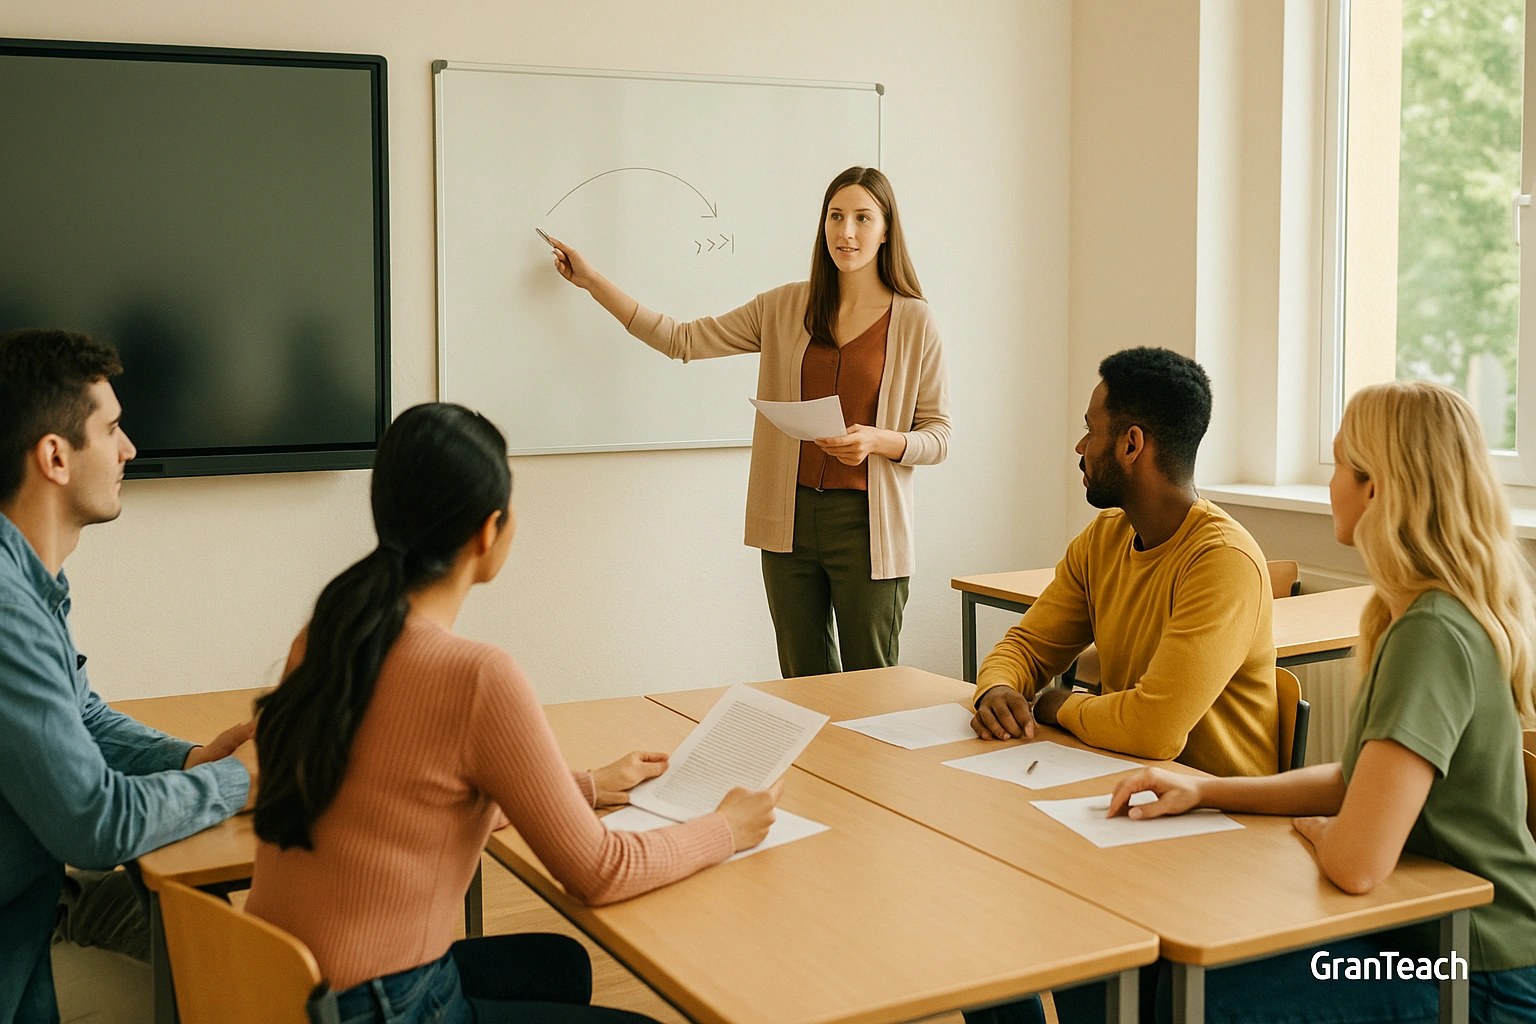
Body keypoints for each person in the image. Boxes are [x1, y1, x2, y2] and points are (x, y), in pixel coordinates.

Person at [244, 402, 780, 1024]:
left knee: (559, 965)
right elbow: (600, 872)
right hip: (385, 1007)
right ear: (487, 530)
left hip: (282, 986)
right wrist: (727, 829)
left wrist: (583, 787)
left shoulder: (329, 633)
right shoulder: (476, 675)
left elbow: (409, 802)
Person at [1095, 381, 1536, 1024]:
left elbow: (1357, 865)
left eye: (1337, 465)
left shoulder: (1432, 634)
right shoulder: (1412, 614)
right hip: (1421, 935)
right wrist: (1207, 791)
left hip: (1467, 964)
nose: (1330, 483)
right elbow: (1355, 780)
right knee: (1142, 974)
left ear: (1376, 487)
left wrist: (1327, 834)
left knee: (1204, 1000)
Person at [547, 166, 950, 678]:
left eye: (862, 218)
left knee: (871, 689)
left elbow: (939, 434)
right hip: (789, 524)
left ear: (887, 229)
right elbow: (681, 340)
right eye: (835, 216)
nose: (846, 232)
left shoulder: (915, 320)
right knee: (804, 685)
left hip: (867, 528)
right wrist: (592, 283)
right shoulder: (784, 306)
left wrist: (879, 441)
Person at [0, 328, 253, 1024]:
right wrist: (241, 779)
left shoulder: (28, 578)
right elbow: (95, 822)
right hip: (17, 951)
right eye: (111, 428)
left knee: (204, 923)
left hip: (37, 900)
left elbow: (83, 713)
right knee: (228, 992)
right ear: (54, 455)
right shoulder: (4, 607)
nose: (129, 448)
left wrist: (194, 759)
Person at [969, 347, 1279, 779]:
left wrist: (1058, 703)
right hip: (1126, 783)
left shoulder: (1223, 561)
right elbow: (1028, 647)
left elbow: (1154, 731)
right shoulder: (1104, 537)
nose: (1080, 446)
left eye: (1089, 430)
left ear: (1130, 444)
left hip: (1220, 813)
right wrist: (998, 689)